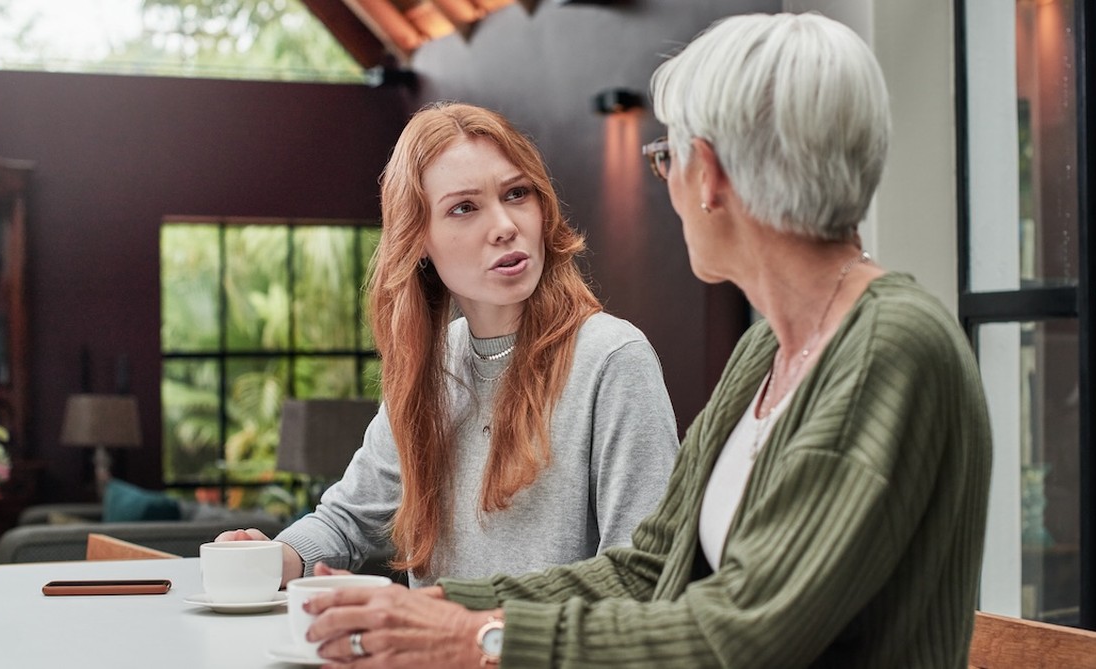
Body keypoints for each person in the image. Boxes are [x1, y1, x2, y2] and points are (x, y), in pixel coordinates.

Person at [298, 12, 993, 668]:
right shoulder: (768, 352)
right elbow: (651, 564)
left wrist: (481, 635)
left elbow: (741, 634)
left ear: (712, 176)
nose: (666, 182)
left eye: (667, 157)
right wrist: (439, 609)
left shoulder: (891, 351)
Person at [218, 101, 680, 588]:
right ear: (418, 239)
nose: (505, 226)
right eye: (464, 207)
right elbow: (348, 520)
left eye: (517, 193)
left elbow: (642, 578)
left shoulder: (612, 358)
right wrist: (274, 556)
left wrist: (473, 629)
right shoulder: (434, 365)